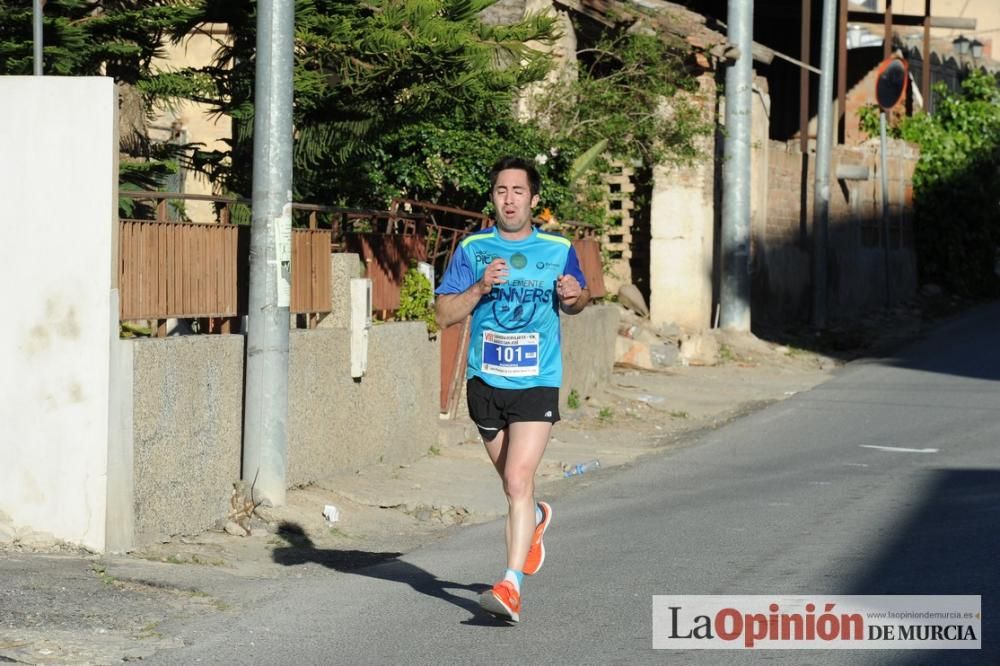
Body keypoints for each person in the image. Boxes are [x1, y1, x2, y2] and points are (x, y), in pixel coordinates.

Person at [434, 156, 590, 622]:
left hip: (537, 381)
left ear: (534, 200)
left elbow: (581, 298)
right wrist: (480, 287)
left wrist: (572, 297)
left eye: (518, 191)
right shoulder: (473, 248)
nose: (509, 199)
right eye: (501, 191)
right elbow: (444, 315)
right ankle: (536, 524)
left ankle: (510, 585)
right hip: (485, 383)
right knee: (511, 485)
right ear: (493, 198)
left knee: (518, 480)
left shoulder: (559, 248)